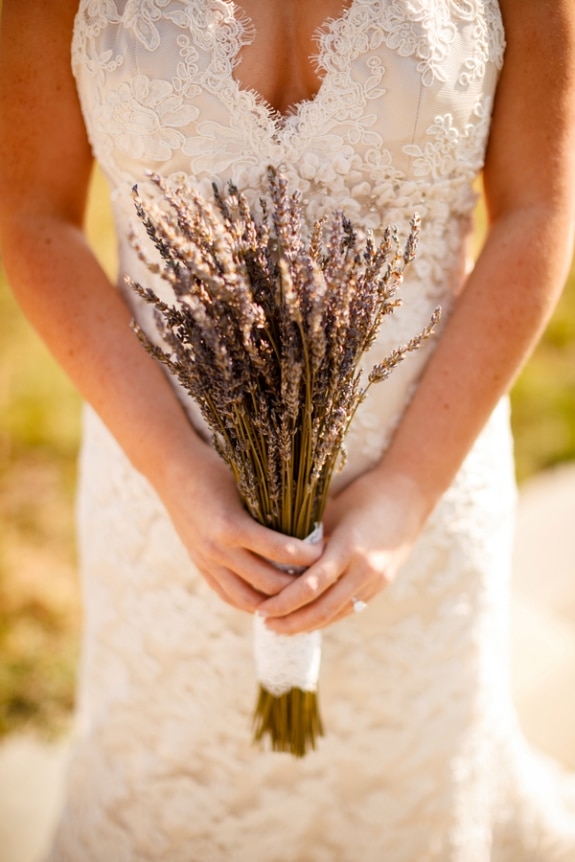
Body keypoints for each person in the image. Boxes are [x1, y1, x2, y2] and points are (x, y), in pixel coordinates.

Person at [1, 1, 575, 859]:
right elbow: (32, 213)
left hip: (424, 479)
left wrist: (410, 487)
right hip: (163, 491)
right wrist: (174, 467)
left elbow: (538, 206)